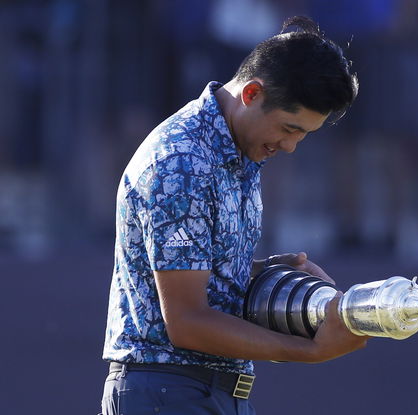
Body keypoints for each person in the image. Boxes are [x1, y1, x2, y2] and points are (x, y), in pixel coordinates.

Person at [100, 16, 367, 415]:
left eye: (303, 135)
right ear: (252, 93)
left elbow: (192, 281)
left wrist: (257, 271)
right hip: (166, 392)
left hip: (206, 393)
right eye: (289, 128)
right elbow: (187, 321)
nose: (291, 146)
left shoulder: (238, 148)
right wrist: (310, 351)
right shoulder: (182, 161)